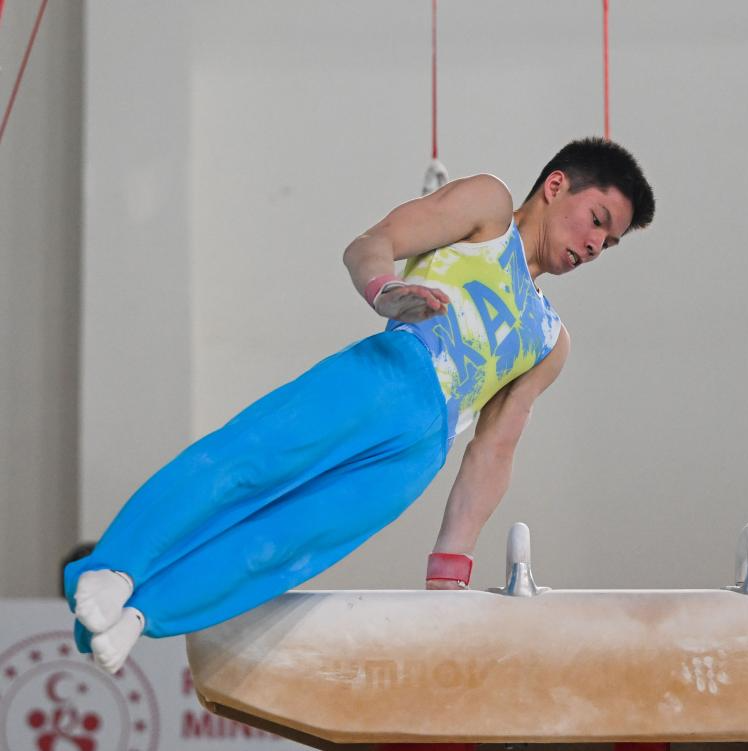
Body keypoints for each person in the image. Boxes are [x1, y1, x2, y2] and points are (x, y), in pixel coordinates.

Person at [64, 136, 655, 673]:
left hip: (419, 454)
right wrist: (384, 290)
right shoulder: (489, 208)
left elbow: (493, 451)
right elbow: (371, 244)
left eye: (609, 242)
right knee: (247, 465)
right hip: (388, 376)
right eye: (597, 220)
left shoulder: (551, 340)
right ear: (556, 185)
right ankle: (117, 567)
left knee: (289, 543)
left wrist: (450, 567)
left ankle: (146, 612)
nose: (595, 246)